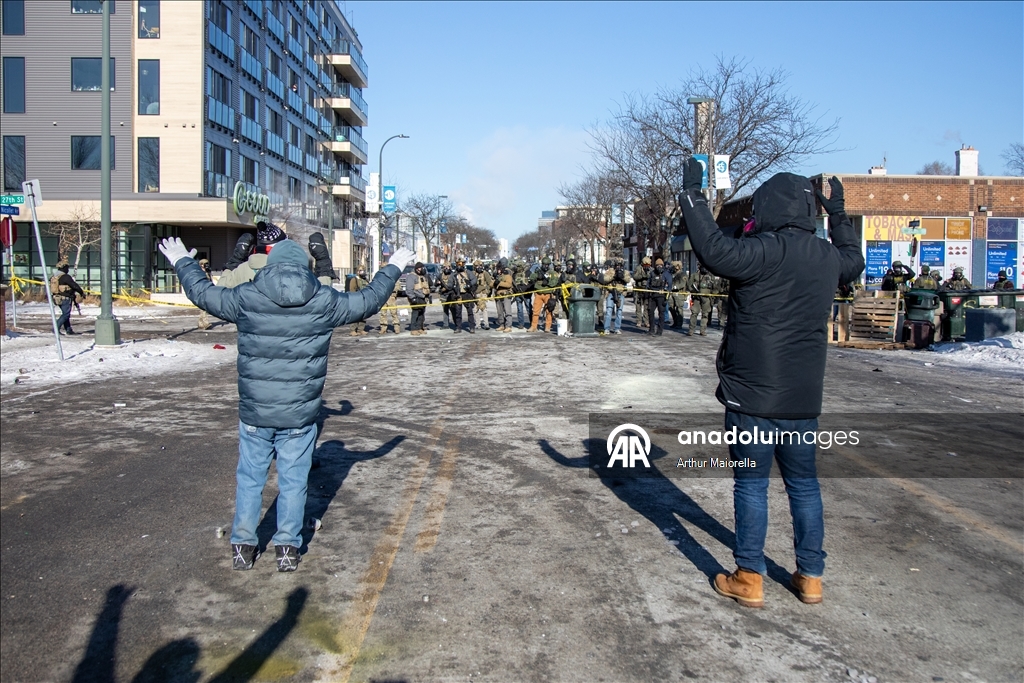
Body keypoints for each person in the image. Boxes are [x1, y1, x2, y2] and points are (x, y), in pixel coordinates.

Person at [158, 235, 415, 572]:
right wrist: (393, 266)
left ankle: (243, 545)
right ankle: (287, 549)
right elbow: (368, 301)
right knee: (294, 481)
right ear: (304, 266)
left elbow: (203, 294)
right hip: (300, 413)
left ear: (271, 262)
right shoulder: (324, 300)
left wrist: (182, 260)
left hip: (255, 410)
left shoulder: (247, 296)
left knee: (250, 477)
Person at [679, 159, 864, 608]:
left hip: (753, 392)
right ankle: (811, 576)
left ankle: (749, 576)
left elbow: (712, 249)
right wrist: (839, 216)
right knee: (804, 485)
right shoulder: (827, 259)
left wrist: (692, 195)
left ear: (768, 208)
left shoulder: (763, 251)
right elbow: (854, 261)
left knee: (751, 484)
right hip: (804, 396)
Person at [50, 261, 85, 336]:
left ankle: (68, 330)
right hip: (65, 298)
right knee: (66, 314)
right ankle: (55, 329)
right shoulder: (65, 277)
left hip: (57, 298)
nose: (68, 270)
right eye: (67, 268)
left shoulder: (55, 276)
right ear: (64, 268)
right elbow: (74, 285)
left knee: (66, 314)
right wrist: (81, 292)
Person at [528, 257, 557, 332]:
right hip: (538, 294)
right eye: (544, 264)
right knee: (535, 311)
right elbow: (531, 277)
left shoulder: (552, 273)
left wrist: (548, 283)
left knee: (549, 311)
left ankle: (547, 326)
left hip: (548, 294)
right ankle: (533, 326)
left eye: (547, 265)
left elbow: (555, 282)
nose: (545, 266)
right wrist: (537, 276)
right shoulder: (538, 271)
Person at [600, 260, 629, 334]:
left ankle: (617, 328)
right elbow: (605, 279)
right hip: (611, 292)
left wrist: (622, 276)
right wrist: (614, 276)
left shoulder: (625, 272)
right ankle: (606, 328)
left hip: (621, 293)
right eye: (617, 265)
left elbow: (628, 279)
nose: (618, 267)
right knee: (609, 310)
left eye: (620, 265)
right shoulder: (610, 271)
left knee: (619, 311)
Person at [645, 258, 671, 336]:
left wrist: (666, 296)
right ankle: (651, 329)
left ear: (663, 266)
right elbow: (648, 284)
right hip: (652, 295)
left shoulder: (666, 274)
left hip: (661, 296)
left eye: (660, 265)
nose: (659, 266)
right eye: (657, 265)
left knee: (661, 313)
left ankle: (659, 331)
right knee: (650, 312)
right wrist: (647, 293)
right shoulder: (652, 273)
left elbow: (669, 286)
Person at [688, 265, 715, 336]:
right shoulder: (695, 275)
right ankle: (691, 330)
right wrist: (694, 291)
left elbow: (715, 288)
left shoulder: (711, 277)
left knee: (705, 315)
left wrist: (713, 297)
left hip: (706, 298)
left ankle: (702, 330)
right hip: (697, 298)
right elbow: (689, 285)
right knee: (694, 313)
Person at [404, 262, 431, 335]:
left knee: (421, 314)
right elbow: (409, 289)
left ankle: (419, 328)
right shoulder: (411, 276)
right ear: (417, 268)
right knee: (415, 313)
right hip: (416, 297)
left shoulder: (422, 276)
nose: (423, 269)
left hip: (423, 297)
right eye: (421, 268)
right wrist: (412, 298)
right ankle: (414, 329)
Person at [455, 257, 477, 333]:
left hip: (467, 294)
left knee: (470, 311)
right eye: (458, 264)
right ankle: (458, 327)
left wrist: (469, 284)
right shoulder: (454, 274)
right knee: (458, 312)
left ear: (463, 264)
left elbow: (474, 280)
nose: (459, 265)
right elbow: (450, 283)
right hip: (458, 295)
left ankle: (472, 327)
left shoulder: (468, 272)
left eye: (460, 264)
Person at [346, 267, 370, 336]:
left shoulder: (365, 280)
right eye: (361, 270)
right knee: (355, 315)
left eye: (363, 270)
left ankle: (361, 329)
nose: (363, 272)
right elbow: (352, 290)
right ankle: (353, 330)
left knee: (364, 315)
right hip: (357, 299)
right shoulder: (354, 280)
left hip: (364, 299)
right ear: (358, 272)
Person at [493, 258, 515, 332]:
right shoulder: (496, 276)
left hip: (506, 295)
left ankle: (508, 326)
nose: (498, 270)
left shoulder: (507, 275)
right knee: (500, 312)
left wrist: (499, 283)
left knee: (507, 311)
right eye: (497, 269)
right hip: (498, 296)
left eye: (499, 269)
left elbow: (508, 284)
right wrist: (494, 283)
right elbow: (491, 284)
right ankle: (501, 325)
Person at [439, 263, 462, 331]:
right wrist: (440, 287)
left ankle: (456, 324)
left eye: (448, 267)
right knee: (445, 310)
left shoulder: (453, 275)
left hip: (452, 294)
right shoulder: (440, 275)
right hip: (444, 295)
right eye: (445, 267)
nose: (446, 268)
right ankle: (445, 324)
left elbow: (455, 285)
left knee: (453, 310)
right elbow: (434, 285)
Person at [633, 256, 652, 329]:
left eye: (648, 266)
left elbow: (652, 278)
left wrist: (648, 275)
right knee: (638, 306)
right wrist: (642, 275)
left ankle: (646, 321)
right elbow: (635, 277)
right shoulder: (638, 268)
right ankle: (639, 321)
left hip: (647, 290)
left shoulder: (651, 269)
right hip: (639, 289)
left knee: (646, 307)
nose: (646, 267)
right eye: (645, 266)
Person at [473, 259, 493, 330]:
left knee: (484, 309)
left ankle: (486, 324)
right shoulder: (473, 273)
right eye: (477, 266)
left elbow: (490, 283)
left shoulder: (485, 273)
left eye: (480, 265)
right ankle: (477, 324)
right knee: (475, 309)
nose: (479, 267)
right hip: (475, 293)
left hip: (482, 293)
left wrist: (487, 290)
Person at [513, 260, 532, 329]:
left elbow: (531, 282)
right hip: (518, 294)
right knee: (520, 309)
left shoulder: (528, 273)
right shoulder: (515, 274)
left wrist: (526, 288)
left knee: (529, 308)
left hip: (527, 294)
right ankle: (521, 323)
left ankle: (532, 323)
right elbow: (513, 284)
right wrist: (515, 290)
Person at [668, 262, 687, 329]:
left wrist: (675, 287)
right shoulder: (673, 274)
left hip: (679, 294)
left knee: (679, 309)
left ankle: (679, 324)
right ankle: (675, 322)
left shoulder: (682, 274)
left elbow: (682, 284)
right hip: (672, 293)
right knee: (671, 307)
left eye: (674, 266)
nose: (673, 268)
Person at [197, 259, 213, 330]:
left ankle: (200, 324)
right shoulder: (199, 272)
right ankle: (205, 323)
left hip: (207, 290)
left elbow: (210, 280)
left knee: (202, 308)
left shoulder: (207, 272)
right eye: (205, 264)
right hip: (201, 291)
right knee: (203, 308)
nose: (206, 265)